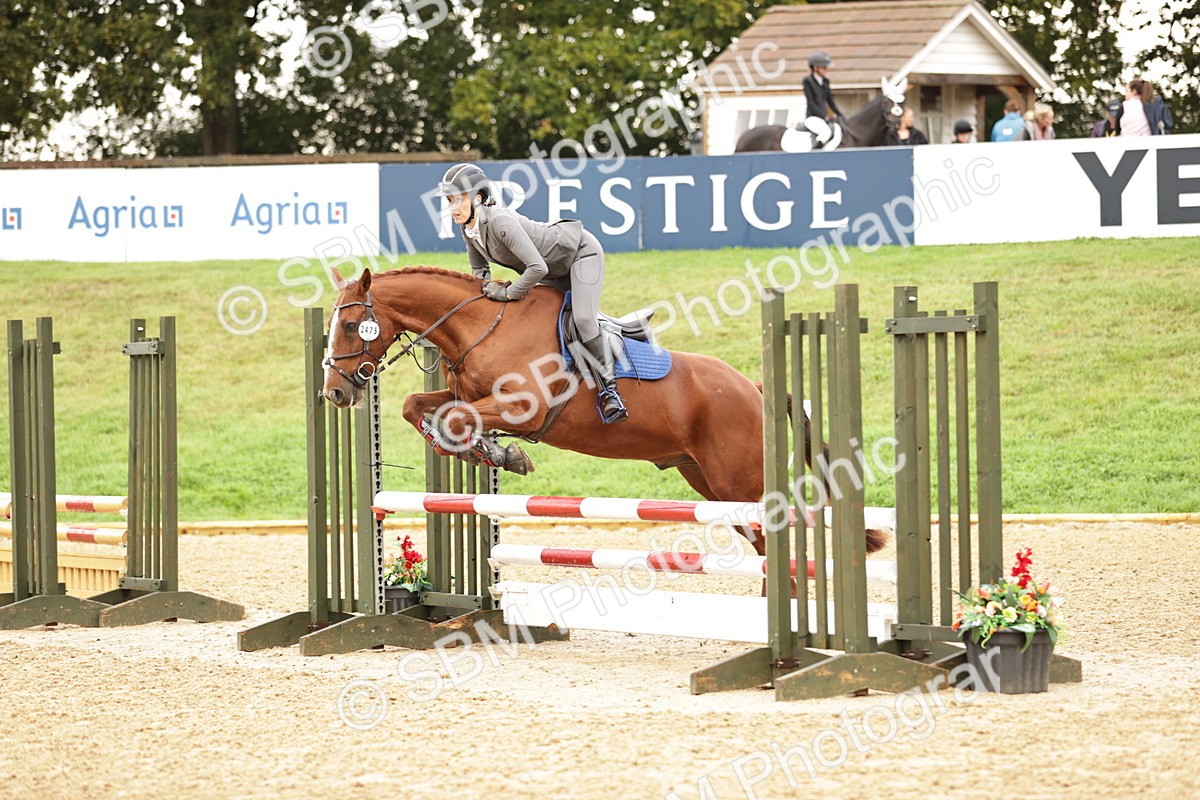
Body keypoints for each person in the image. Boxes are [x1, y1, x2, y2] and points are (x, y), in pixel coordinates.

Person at [436, 162, 628, 424]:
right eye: (449, 201)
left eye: (457, 200)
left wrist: (508, 293)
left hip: (579, 254)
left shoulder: (500, 221)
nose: (452, 208)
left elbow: (537, 267)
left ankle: (610, 392)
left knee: (583, 319)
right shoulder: (469, 229)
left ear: (478, 198)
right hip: (552, 271)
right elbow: (479, 272)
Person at [803, 52, 844, 124]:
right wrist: (824, 116)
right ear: (815, 68)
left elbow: (830, 101)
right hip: (812, 118)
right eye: (824, 67)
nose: (826, 69)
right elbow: (811, 103)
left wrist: (841, 115)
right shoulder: (808, 81)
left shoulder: (825, 82)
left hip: (824, 119)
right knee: (825, 133)